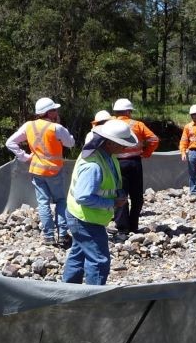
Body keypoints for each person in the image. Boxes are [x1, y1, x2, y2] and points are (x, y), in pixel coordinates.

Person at [62, 119, 138, 285]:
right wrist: (112, 203)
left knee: (79, 252)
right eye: (122, 143)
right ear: (110, 142)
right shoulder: (94, 166)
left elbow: (110, 182)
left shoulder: (107, 156)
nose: (125, 147)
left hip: (84, 216)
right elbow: (83, 197)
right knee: (99, 260)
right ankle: (94, 298)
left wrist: (119, 193)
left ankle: (67, 291)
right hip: (85, 218)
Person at [6, 97, 75, 246]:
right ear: (49, 113)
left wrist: (24, 157)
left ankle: (48, 237)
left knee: (43, 203)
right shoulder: (56, 128)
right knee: (61, 201)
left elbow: (10, 142)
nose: (57, 112)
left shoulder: (28, 126)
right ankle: (63, 235)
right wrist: (62, 128)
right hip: (54, 171)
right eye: (55, 110)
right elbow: (71, 143)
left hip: (37, 170)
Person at [111, 98, 159, 233]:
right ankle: (133, 226)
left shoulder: (110, 124)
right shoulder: (137, 124)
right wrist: (146, 153)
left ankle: (122, 229)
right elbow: (154, 139)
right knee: (136, 196)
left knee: (120, 195)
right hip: (135, 162)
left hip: (117, 163)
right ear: (128, 111)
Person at [179, 104, 196, 202]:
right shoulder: (188, 127)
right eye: (194, 114)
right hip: (192, 152)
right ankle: (194, 193)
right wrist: (183, 152)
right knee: (192, 173)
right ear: (191, 115)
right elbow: (183, 140)